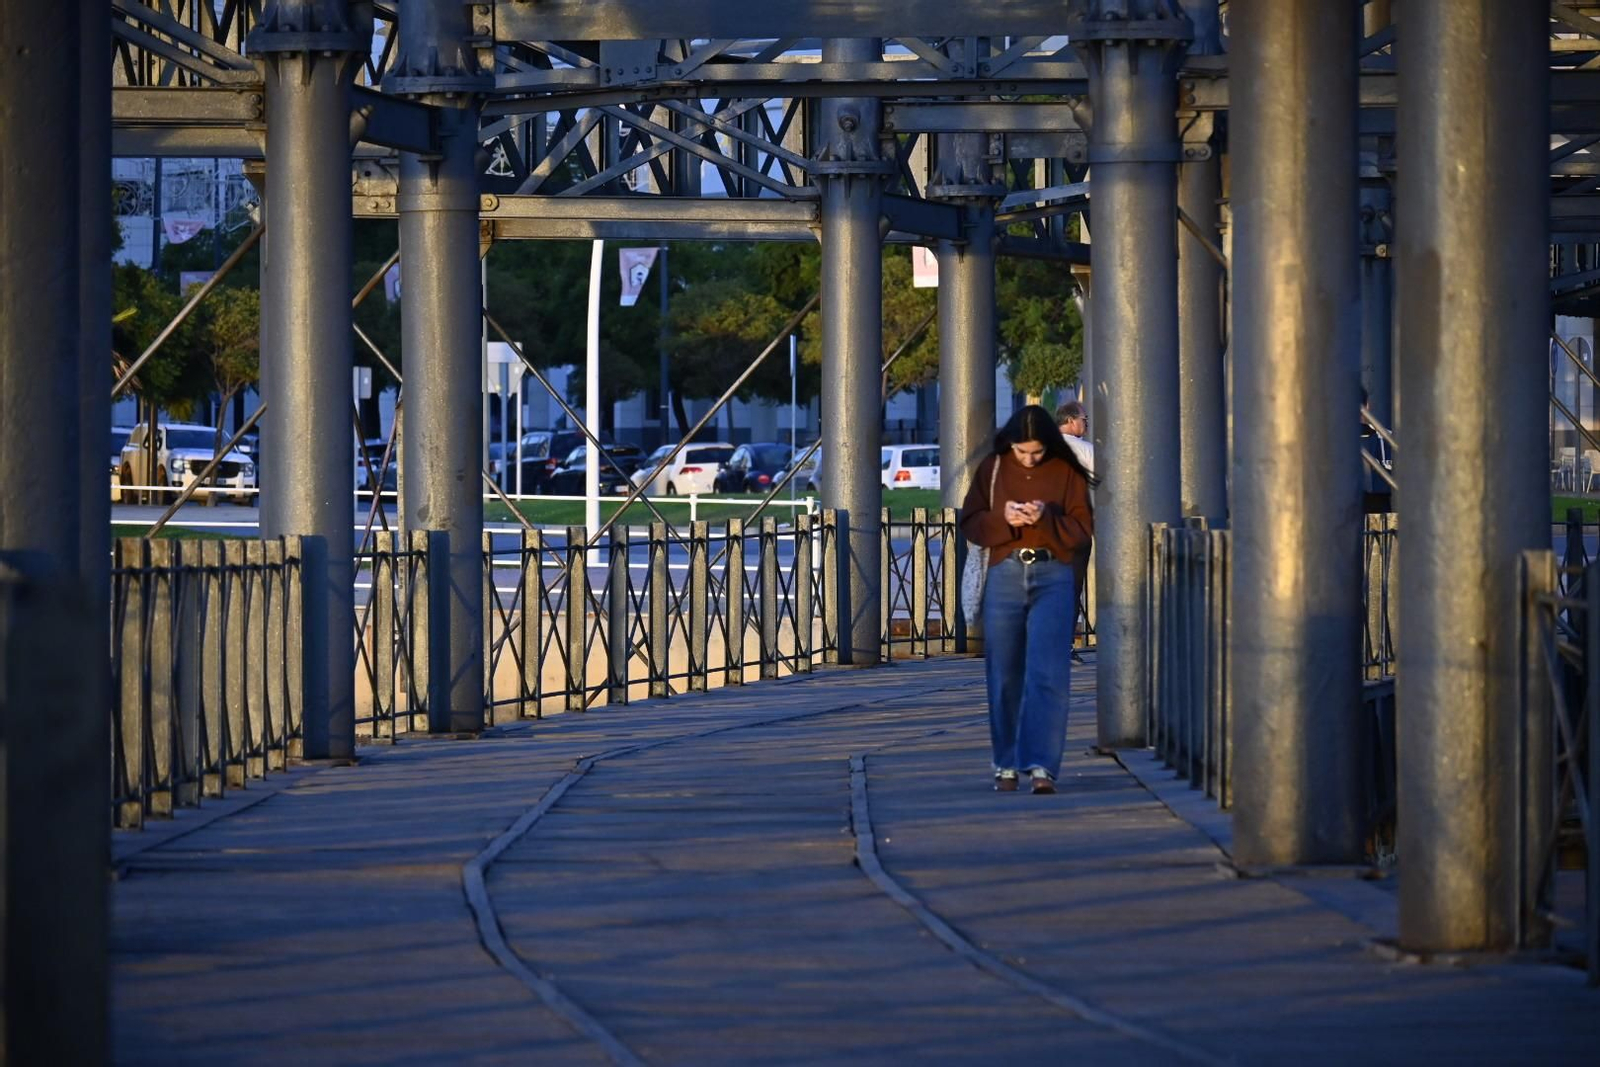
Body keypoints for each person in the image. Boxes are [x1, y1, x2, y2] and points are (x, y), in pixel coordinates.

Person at [960, 405, 1094, 794]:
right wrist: (1005, 519)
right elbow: (971, 522)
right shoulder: (994, 468)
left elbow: (1082, 531)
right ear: (1011, 445)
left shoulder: (1066, 470)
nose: (1030, 459)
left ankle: (1041, 767)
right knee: (1004, 673)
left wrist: (1046, 518)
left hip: (1054, 575)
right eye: (1022, 452)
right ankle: (1005, 763)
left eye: (1036, 452)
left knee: (1049, 672)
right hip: (1005, 572)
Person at [1054, 399, 1095, 478]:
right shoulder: (1086, 449)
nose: (1086, 423)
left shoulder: (1047, 447)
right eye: (1084, 419)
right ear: (1071, 421)